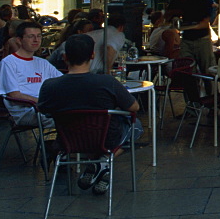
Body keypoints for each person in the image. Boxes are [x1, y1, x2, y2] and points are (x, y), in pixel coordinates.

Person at [37, 33, 142, 195]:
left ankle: (100, 163)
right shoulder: (107, 82)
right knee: (137, 126)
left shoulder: (50, 86)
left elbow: (42, 110)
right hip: (105, 138)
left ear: (64, 57)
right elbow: (134, 107)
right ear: (92, 55)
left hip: (68, 141)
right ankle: (103, 162)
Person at [0, 21, 63, 128]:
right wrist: (44, 103)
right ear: (19, 40)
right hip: (25, 112)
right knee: (68, 119)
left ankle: (63, 144)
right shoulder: (9, 63)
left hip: (44, 108)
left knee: (77, 114)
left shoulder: (42, 63)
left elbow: (63, 81)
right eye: (31, 36)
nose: (36, 40)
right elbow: (14, 95)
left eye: (39, 36)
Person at [167, 0, 214, 73]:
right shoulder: (176, 0)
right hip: (186, 40)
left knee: (207, 70)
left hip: (202, 39)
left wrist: (186, 27)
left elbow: (205, 23)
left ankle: (210, 85)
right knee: (186, 69)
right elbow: (168, 15)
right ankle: (191, 85)